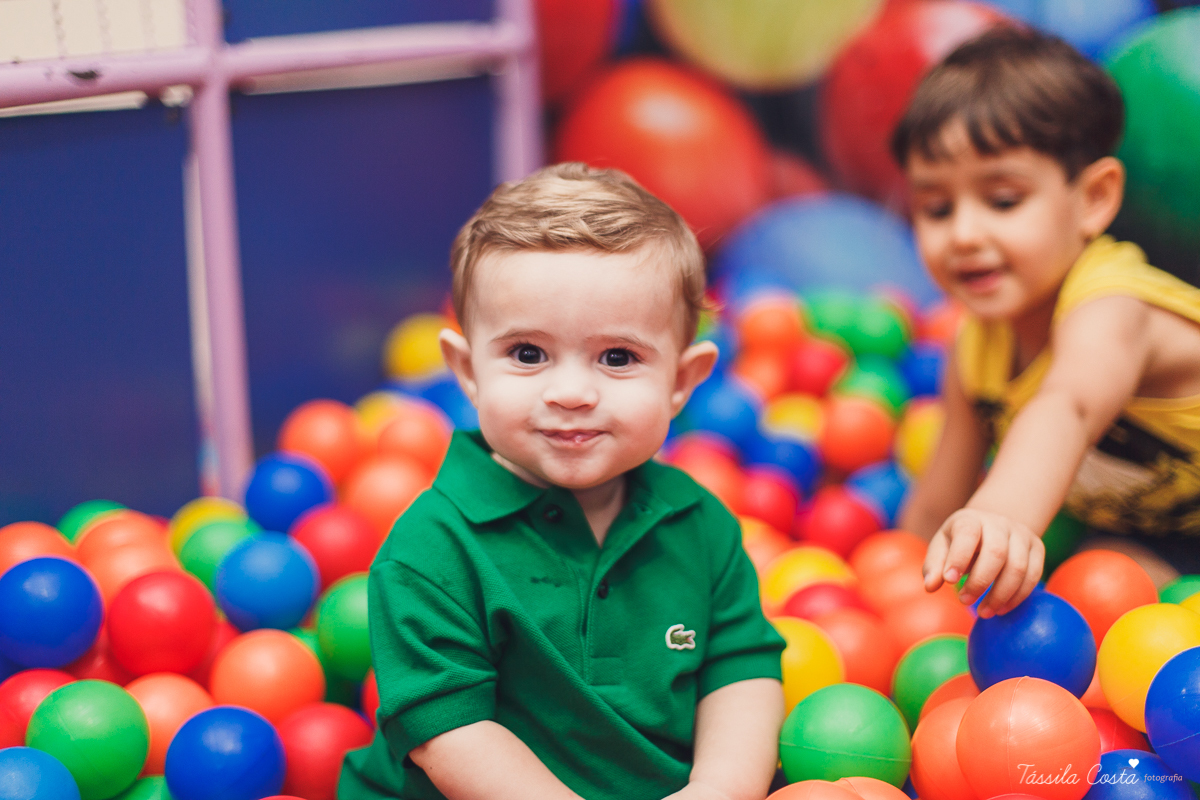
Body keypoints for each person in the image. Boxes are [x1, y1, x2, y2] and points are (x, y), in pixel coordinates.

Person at [339, 163, 786, 800]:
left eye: (617, 357)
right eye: (528, 354)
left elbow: (738, 673)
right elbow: (452, 734)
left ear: (683, 382)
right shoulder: (431, 550)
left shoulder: (700, 526)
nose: (572, 393)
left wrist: (716, 789)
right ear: (466, 371)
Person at [896, 27, 1200, 618]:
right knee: (1109, 583)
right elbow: (936, 506)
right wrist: (905, 585)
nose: (963, 235)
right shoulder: (977, 349)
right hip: (1166, 538)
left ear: (1093, 199)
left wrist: (1002, 515)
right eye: (936, 207)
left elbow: (1069, 403)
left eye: (1003, 201)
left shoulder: (1114, 306)